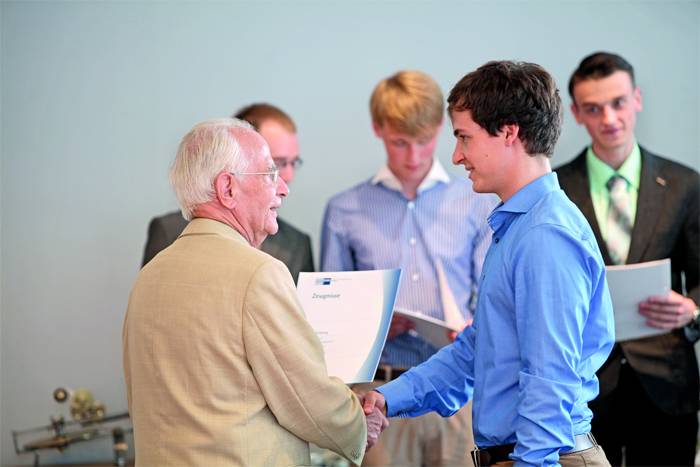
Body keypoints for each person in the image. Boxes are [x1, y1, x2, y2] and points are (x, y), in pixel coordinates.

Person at [362, 61, 616, 467]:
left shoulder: (544, 235)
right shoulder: (517, 226)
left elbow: (550, 380)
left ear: (509, 133)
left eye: (464, 137)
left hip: (542, 458)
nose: (457, 155)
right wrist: (389, 396)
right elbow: (477, 350)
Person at [123, 118, 387, 467]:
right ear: (228, 188)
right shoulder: (259, 273)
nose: (283, 189)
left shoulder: (149, 276)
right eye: (269, 174)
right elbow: (306, 395)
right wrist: (358, 423)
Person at [321, 70, 494, 466]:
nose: (413, 157)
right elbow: (329, 320)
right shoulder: (345, 210)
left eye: (424, 142)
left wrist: (473, 326)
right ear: (378, 129)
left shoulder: (475, 200)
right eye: (400, 143)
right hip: (375, 397)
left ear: (442, 129)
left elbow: (491, 295)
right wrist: (374, 323)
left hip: (454, 393)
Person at [556, 51, 700, 466]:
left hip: (664, 383)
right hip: (583, 385)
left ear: (636, 99)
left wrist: (692, 309)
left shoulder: (683, 184)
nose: (610, 118)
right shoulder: (556, 190)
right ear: (576, 113)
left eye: (618, 103)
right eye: (594, 108)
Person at [142, 103, 314, 282]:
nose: (288, 177)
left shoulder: (297, 244)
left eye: (293, 163)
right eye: (274, 166)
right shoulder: (169, 233)